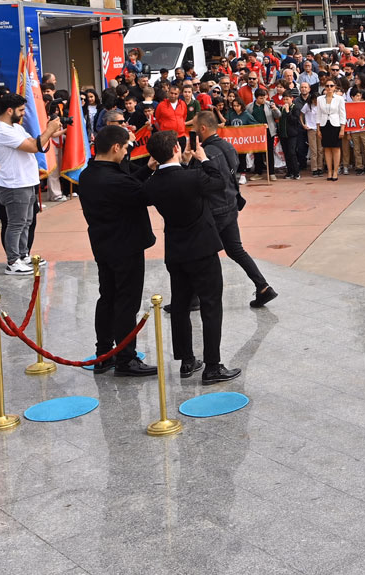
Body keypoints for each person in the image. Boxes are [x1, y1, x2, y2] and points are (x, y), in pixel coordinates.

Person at [140, 129, 239, 384]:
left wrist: (155, 166)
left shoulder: (152, 184)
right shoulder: (193, 177)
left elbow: (145, 188)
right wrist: (203, 158)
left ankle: (186, 360)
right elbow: (218, 181)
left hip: (176, 250)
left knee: (181, 306)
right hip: (203, 249)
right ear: (176, 149)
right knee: (210, 304)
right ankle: (213, 365)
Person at [76, 124, 158, 377]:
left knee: (107, 298)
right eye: (124, 148)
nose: (126, 153)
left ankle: (103, 353)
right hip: (127, 247)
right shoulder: (115, 180)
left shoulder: (88, 175)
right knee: (126, 303)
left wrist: (148, 168)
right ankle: (126, 358)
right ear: (115, 147)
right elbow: (146, 194)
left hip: (103, 246)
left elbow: (129, 182)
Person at [195, 110, 276, 308]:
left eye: (195, 127)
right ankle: (263, 287)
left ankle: (195, 298)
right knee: (235, 249)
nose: (193, 130)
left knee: (199, 253)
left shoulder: (208, 152)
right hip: (230, 204)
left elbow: (204, 181)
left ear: (203, 128)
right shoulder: (228, 146)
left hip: (215, 209)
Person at [0, 93, 62, 276]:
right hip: (15, 185)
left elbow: (32, 141)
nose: (23, 113)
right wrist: (49, 130)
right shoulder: (2, 131)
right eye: (21, 110)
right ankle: (13, 261)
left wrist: (50, 131)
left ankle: (23, 255)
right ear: (9, 110)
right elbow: (33, 147)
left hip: (26, 182)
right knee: (16, 224)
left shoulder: (15, 127)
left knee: (27, 222)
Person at [315, 80, 345, 181]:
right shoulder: (320, 99)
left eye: (331, 85)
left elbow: (342, 114)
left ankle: (336, 171)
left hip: (335, 124)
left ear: (334, 87)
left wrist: (342, 128)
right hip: (324, 124)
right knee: (327, 148)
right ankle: (329, 171)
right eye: (327, 86)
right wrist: (318, 129)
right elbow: (318, 114)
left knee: (336, 148)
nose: (329, 87)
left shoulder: (339, 99)